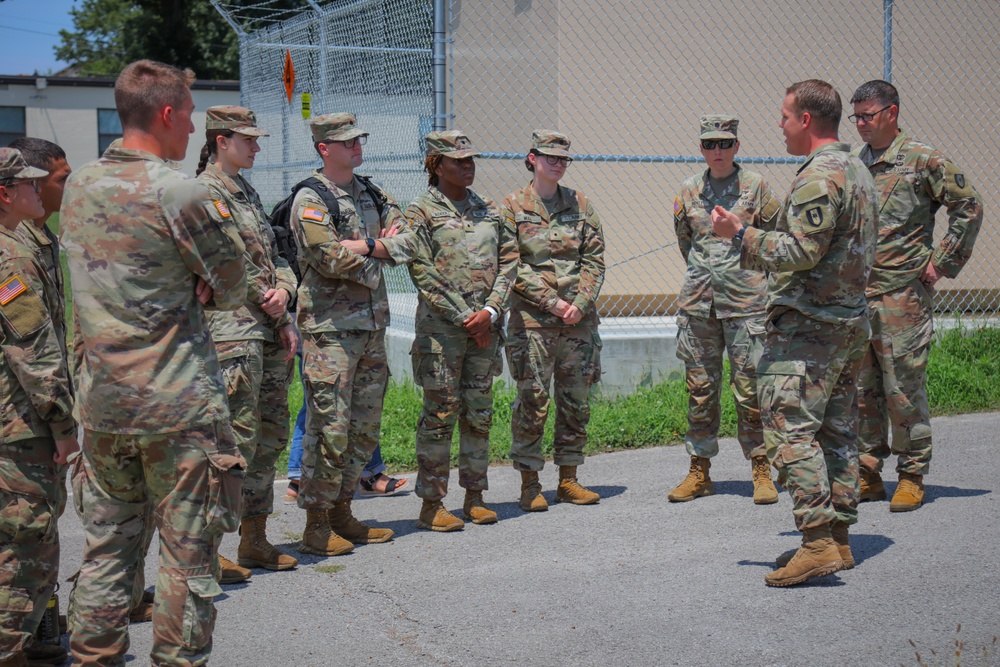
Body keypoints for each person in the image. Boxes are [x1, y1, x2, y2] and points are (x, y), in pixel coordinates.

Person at [60, 60, 247, 665]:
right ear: (168, 114)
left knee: (109, 549)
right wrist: (200, 281)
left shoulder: (80, 185)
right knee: (187, 556)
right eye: (190, 114)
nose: (193, 128)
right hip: (177, 408)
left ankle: (92, 658)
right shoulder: (180, 191)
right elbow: (234, 281)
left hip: (106, 406)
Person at [711, 79, 877, 587]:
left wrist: (739, 234)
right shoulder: (858, 168)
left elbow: (800, 253)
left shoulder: (819, 175)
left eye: (784, 117)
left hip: (811, 329)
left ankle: (817, 542)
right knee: (837, 431)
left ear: (806, 120)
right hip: (847, 325)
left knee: (790, 432)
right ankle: (841, 539)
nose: (779, 126)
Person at [848, 80, 983, 512]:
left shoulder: (923, 160)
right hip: (859, 296)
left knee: (903, 388)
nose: (861, 125)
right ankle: (868, 472)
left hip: (903, 296)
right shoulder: (856, 162)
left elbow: (969, 205)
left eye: (867, 116)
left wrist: (942, 262)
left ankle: (912, 474)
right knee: (862, 390)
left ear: (892, 112)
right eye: (856, 117)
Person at [288, 112, 415, 556]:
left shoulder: (372, 191)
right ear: (324, 148)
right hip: (330, 333)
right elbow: (325, 258)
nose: (356, 146)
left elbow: (412, 242)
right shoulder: (311, 197)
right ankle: (317, 525)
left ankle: (343, 512)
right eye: (346, 142)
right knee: (329, 429)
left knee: (363, 428)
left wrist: (363, 246)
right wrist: (382, 253)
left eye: (358, 139)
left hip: (372, 329)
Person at [196, 106, 299, 577]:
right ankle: (209, 547)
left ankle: (253, 539)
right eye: (248, 139)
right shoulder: (203, 192)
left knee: (271, 433)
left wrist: (286, 293)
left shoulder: (246, 191)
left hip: (268, 327)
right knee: (233, 438)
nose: (257, 146)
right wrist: (268, 296)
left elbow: (274, 253)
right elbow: (221, 260)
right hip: (233, 329)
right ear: (221, 140)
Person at [404, 130, 518, 531]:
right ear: (437, 165)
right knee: (439, 415)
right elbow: (422, 270)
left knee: (479, 414)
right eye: (459, 161)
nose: (468, 167)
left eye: (471, 160)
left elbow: (510, 263)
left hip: (485, 329)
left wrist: (490, 311)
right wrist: (466, 318)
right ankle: (432, 504)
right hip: (442, 333)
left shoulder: (489, 209)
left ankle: (475, 496)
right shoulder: (419, 211)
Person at [668, 115, 782, 505]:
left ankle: (761, 467)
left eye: (725, 143)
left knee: (751, 390)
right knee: (700, 392)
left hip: (746, 304)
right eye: (709, 144)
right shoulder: (688, 190)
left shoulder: (756, 187)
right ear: (701, 148)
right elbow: (687, 243)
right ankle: (699, 470)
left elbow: (773, 237)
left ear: (736, 146)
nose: (717, 151)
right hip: (699, 304)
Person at [0, 148, 77, 667]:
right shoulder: (9, 257)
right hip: (21, 427)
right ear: (4, 194)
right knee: (24, 551)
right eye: (26, 184)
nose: (37, 189)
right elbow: (34, 350)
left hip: (18, 422)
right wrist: (64, 424)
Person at [502, 130, 605, 512]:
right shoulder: (512, 207)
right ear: (532, 159)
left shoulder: (580, 204)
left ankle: (569, 479)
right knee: (533, 401)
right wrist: (552, 302)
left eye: (564, 159)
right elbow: (509, 263)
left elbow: (595, 259)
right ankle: (530, 483)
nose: (557, 164)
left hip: (578, 322)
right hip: (533, 322)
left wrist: (579, 302)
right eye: (550, 157)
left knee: (576, 401)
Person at [6, 138, 70, 347]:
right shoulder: (17, 247)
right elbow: (28, 341)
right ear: (36, 184)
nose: (71, 186)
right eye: (63, 180)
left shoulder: (44, 236)